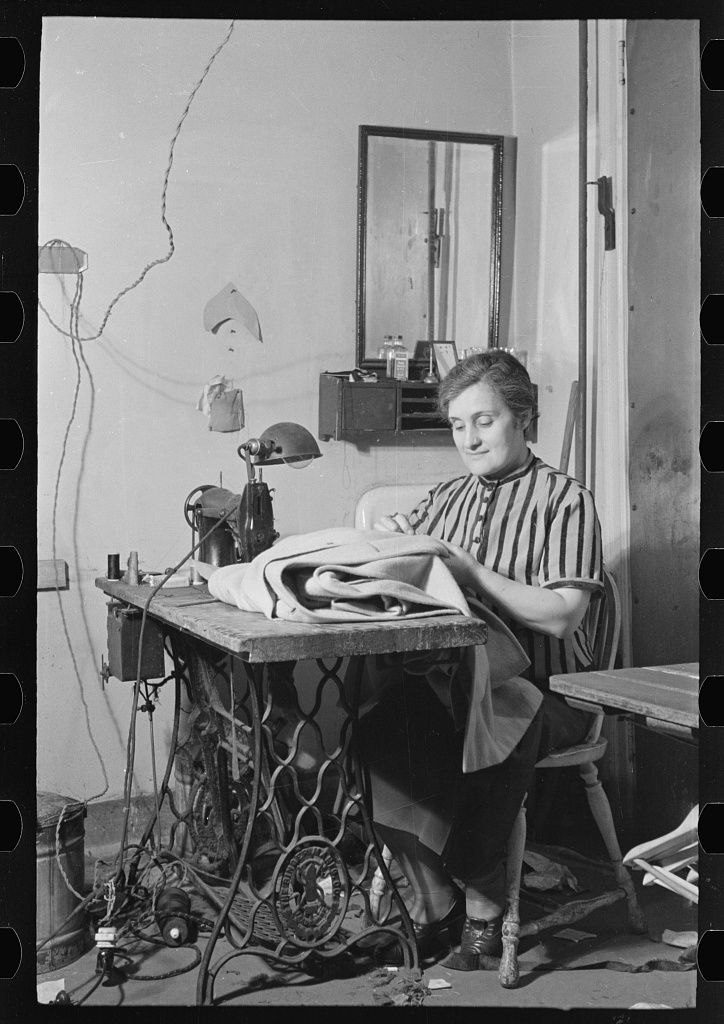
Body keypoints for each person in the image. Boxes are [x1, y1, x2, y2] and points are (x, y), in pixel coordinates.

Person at [359, 349, 604, 969]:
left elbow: (560, 615)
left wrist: (472, 573)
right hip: (458, 682)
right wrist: (391, 541)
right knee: (378, 730)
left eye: (484, 421)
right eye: (458, 426)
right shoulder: (447, 497)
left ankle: (484, 899)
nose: (469, 438)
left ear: (522, 417)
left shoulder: (565, 501)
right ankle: (435, 898)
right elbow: (395, 551)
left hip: (553, 689)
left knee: (495, 714)